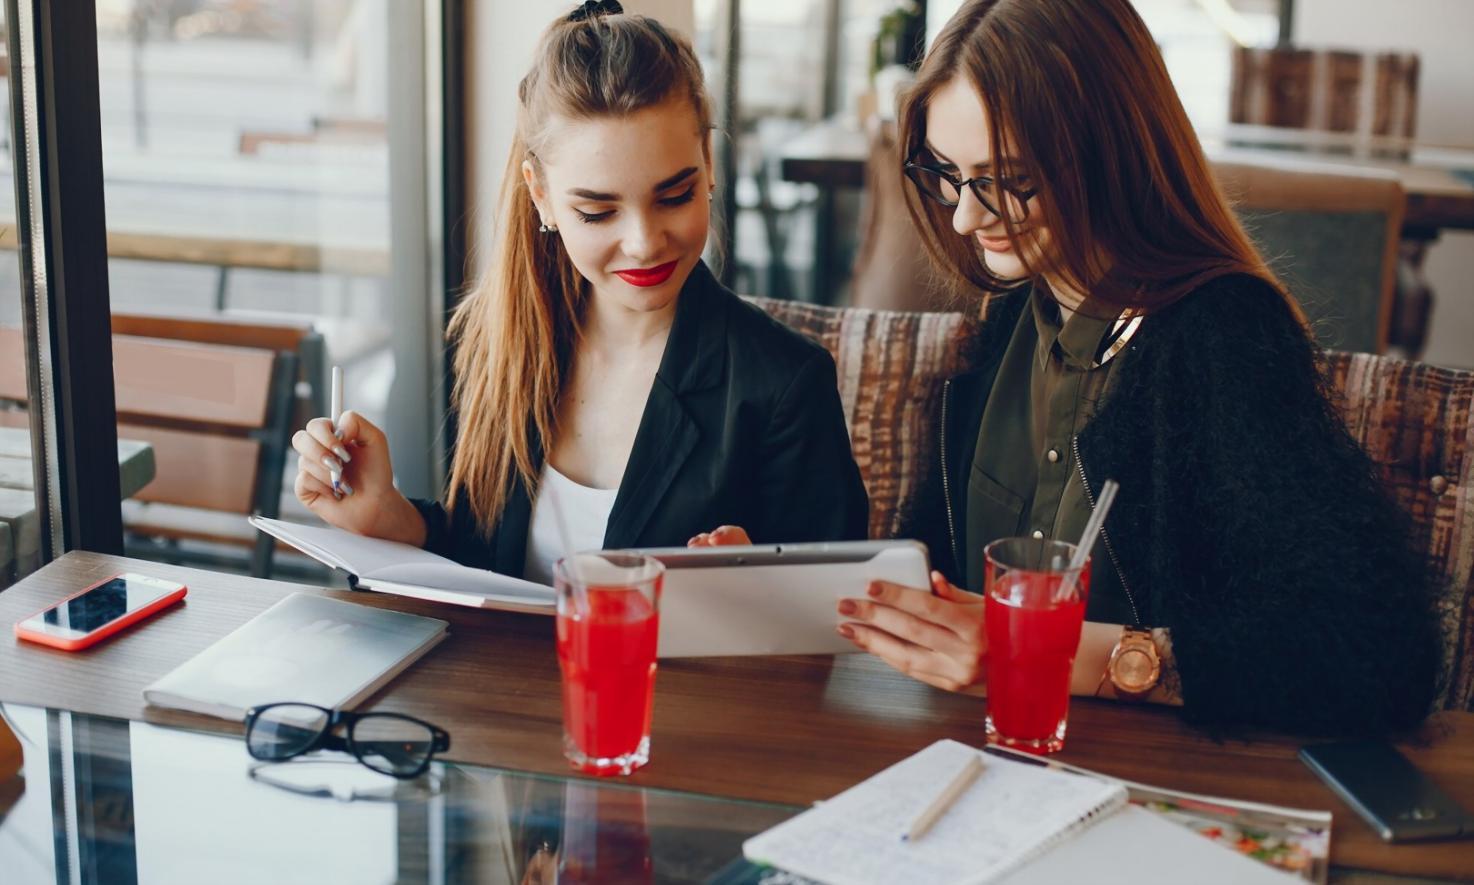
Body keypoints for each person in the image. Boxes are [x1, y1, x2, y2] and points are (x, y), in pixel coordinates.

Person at [714, 0, 1441, 735]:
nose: (965, 218)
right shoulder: (1012, 317)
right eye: (948, 174)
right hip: (980, 754)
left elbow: (1380, 653)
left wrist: (1065, 654)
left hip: (1155, 779)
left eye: (1007, 179)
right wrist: (792, 589)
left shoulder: (1223, 335)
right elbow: (939, 577)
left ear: (1110, 152)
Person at [290, 2, 867, 584]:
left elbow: (834, 614)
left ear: (708, 164)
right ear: (541, 195)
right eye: (597, 211)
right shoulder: (498, 342)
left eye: (674, 197)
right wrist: (389, 516)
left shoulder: (784, 385)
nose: (643, 243)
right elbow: (483, 559)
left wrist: (757, 592)